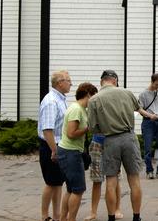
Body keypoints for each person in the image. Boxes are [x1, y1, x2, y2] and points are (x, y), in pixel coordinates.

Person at [88, 70, 158, 221]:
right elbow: (138, 110)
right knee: (134, 180)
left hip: (110, 140)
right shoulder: (127, 93)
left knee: (111, 181)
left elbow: (92, 127)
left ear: (102, 82)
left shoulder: (94, 99)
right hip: (129, 138)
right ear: (115, 81)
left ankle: (111, 217)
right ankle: (136, 217)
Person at [57, 82, 98, 221]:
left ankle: (64, 218)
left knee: (70, 189)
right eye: (94, 97)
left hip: (69, 151)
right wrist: (87, 129)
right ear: (87, 94)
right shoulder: (76, 109)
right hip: (71, 153)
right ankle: (71, 219)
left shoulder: (80, 108)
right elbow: (71, 133)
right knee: (78, 189)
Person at [38, 70, 72, 221]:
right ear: (59, 83)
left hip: (58, 144)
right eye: (68, 80)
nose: (71, 83)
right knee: (51, 182)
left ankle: (57, 215)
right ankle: (45, 215)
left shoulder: (60, 99)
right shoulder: (51, 101)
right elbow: (47, 129)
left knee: (58, 182)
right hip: (51, 145)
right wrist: (54, 150)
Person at [84, 132, 123, 221]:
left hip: (113, 143)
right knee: (96, 180)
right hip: (97, 142)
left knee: (115, 179)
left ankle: (117, 209)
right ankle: (93, 212)